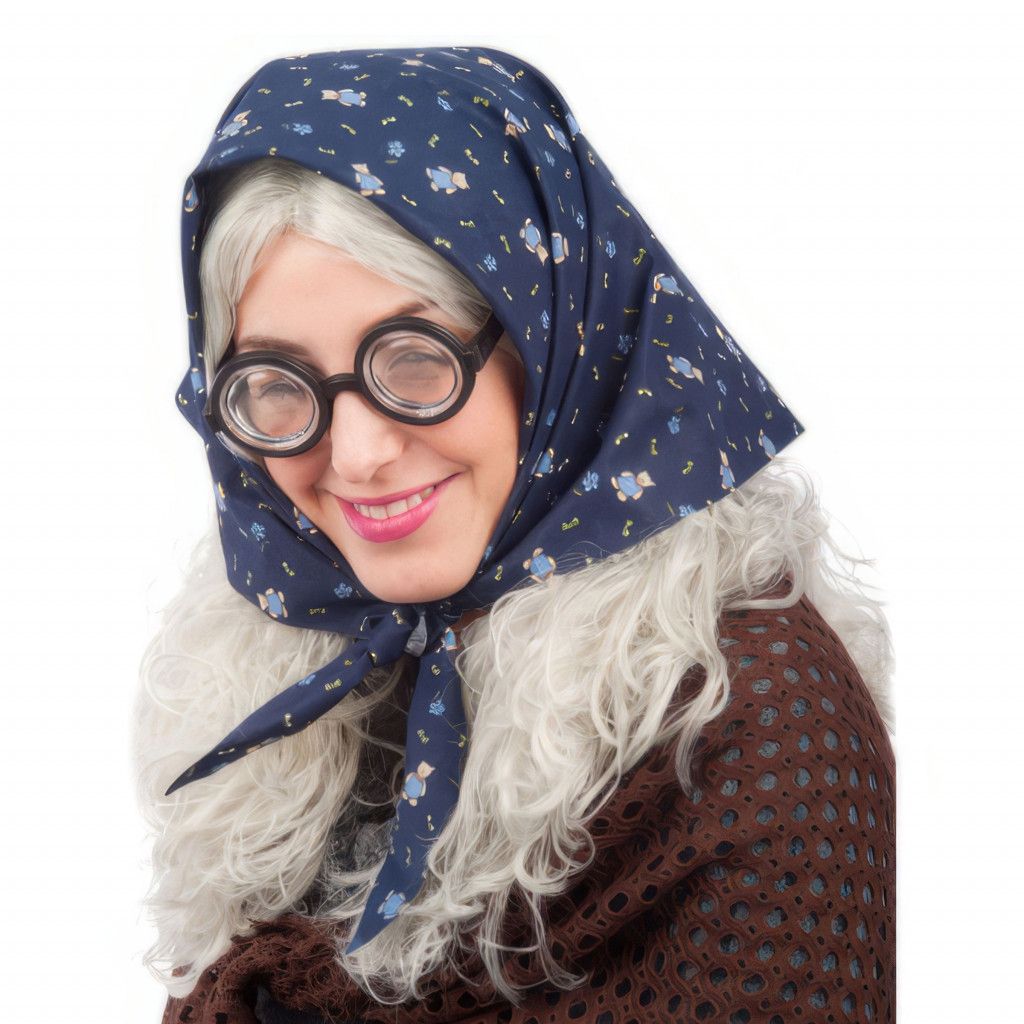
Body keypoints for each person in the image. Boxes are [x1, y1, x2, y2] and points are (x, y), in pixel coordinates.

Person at [134, 45, 896, 1023]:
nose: (355, 454)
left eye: (412, 358)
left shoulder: (761, 727)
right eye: (276, 384)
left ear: (555, 341)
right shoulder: (295, 684)